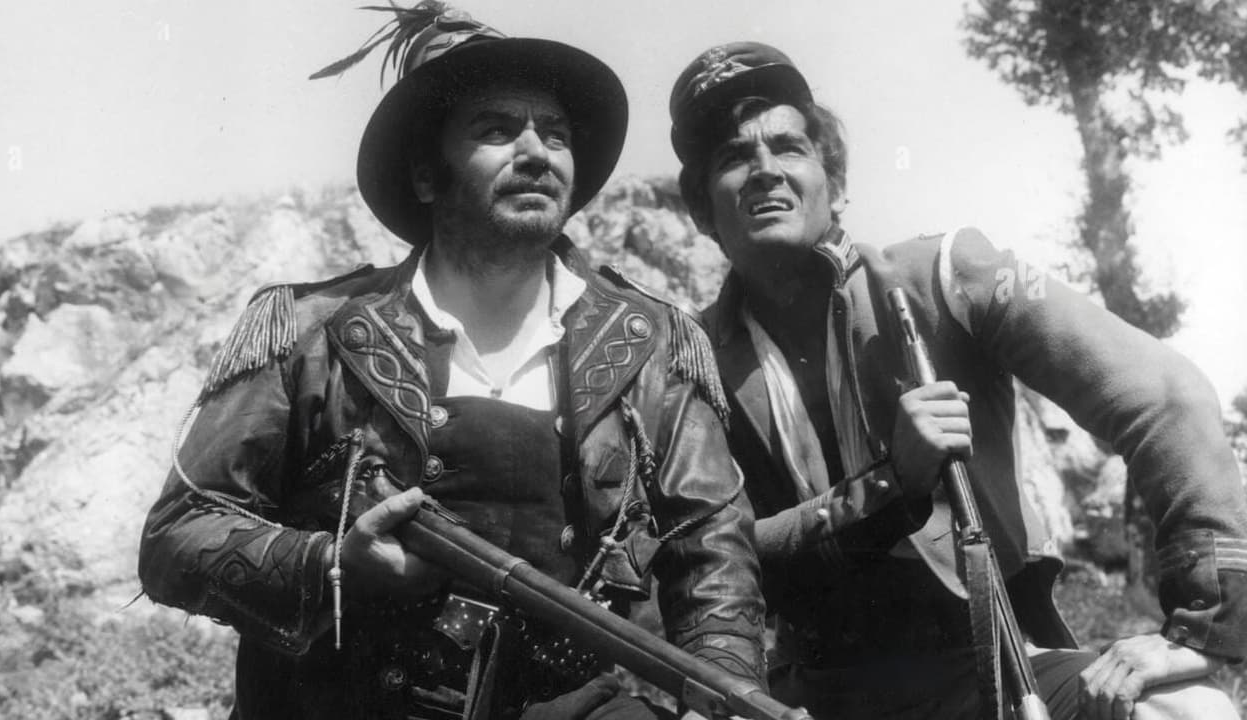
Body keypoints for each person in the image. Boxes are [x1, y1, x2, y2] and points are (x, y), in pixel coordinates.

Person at [137, 7, 766, 719]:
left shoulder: (653, 344)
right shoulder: (308, 332)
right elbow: (176, 536)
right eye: (496, 130)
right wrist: (334, 565)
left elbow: (712, 550)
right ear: (425, 176)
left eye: (555, 133)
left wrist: (726, 694)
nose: (537, 152)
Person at [667, 41, 1247, 720]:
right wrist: (891, 485)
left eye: (789, 147)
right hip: (811, 692)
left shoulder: (950, 276)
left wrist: (1203, 627)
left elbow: (1166, 397)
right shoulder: (689, 361)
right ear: (702, 211)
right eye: (733, 157)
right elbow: (710, 552)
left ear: (838, 183)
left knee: (1189, 711)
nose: (765, 170)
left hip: (989, 667)